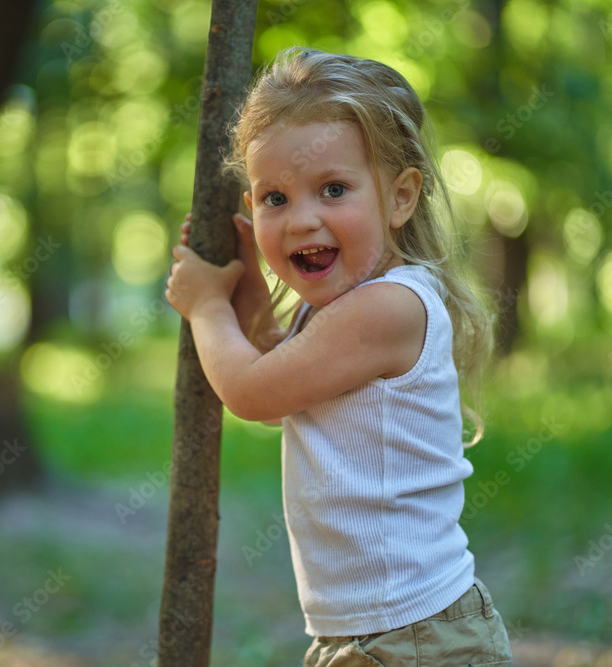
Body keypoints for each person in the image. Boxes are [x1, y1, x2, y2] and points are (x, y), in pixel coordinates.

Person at [165, 47, 513, 666]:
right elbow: (287, 393)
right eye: (274, 198)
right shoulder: (341, 308)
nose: (302, 220)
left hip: (416, 638)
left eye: (333, 189)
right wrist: (248, 293)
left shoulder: (389, 307)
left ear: (400, 197)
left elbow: (251, 393)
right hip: (374, 634)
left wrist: (207, 307)